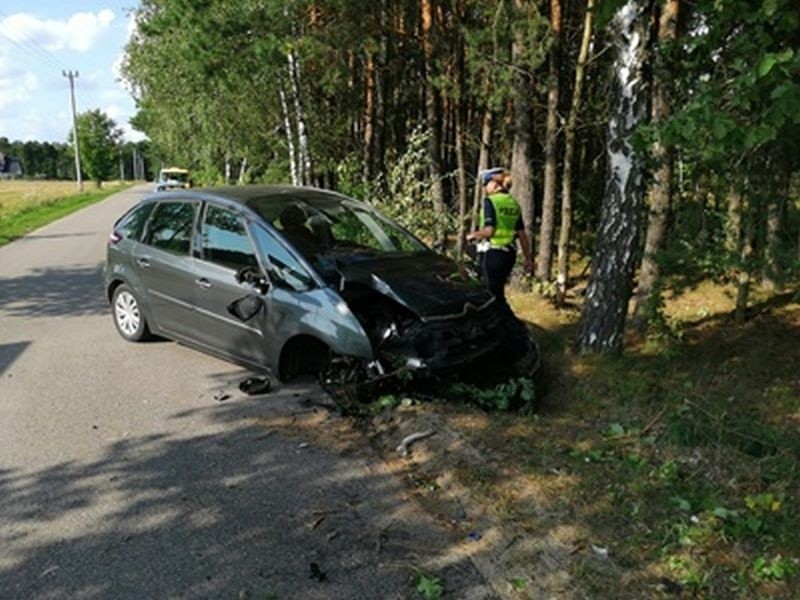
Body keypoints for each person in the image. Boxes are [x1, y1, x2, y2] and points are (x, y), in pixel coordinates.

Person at [466, 167, 533, 321]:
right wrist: (528, 259)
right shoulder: (513, 203)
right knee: (496, 292)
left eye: (486, 183)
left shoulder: (490, 201)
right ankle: (498, 324)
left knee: (493, 296)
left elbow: (490, 230)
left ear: (495, 183)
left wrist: (473, 235)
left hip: (494, 254)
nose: (484, 187)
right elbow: (522, 234)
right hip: (509, 255)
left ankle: (510, 327)